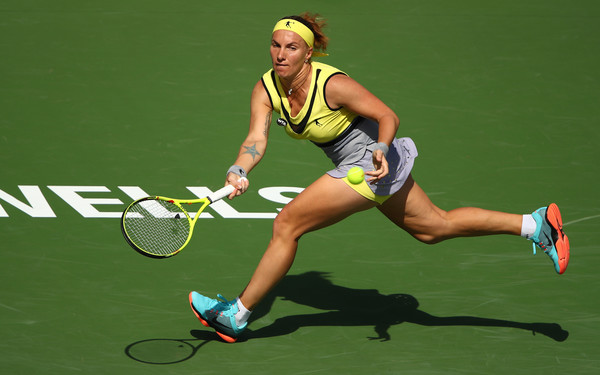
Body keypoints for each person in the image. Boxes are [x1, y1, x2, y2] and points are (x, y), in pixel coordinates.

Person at [188, 13, 570, 343]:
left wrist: (382, 148)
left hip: (371, 162)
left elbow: (387, 115)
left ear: (308, 53)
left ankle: (236, 315)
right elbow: (256, 139)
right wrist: (240, 169)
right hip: (363, 164)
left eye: (291, 47)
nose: (280, 54)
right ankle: (534, 225)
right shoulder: (266, 87)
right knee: (435, 227)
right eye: (275, 45)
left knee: (287, 224)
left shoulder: (332, 83)